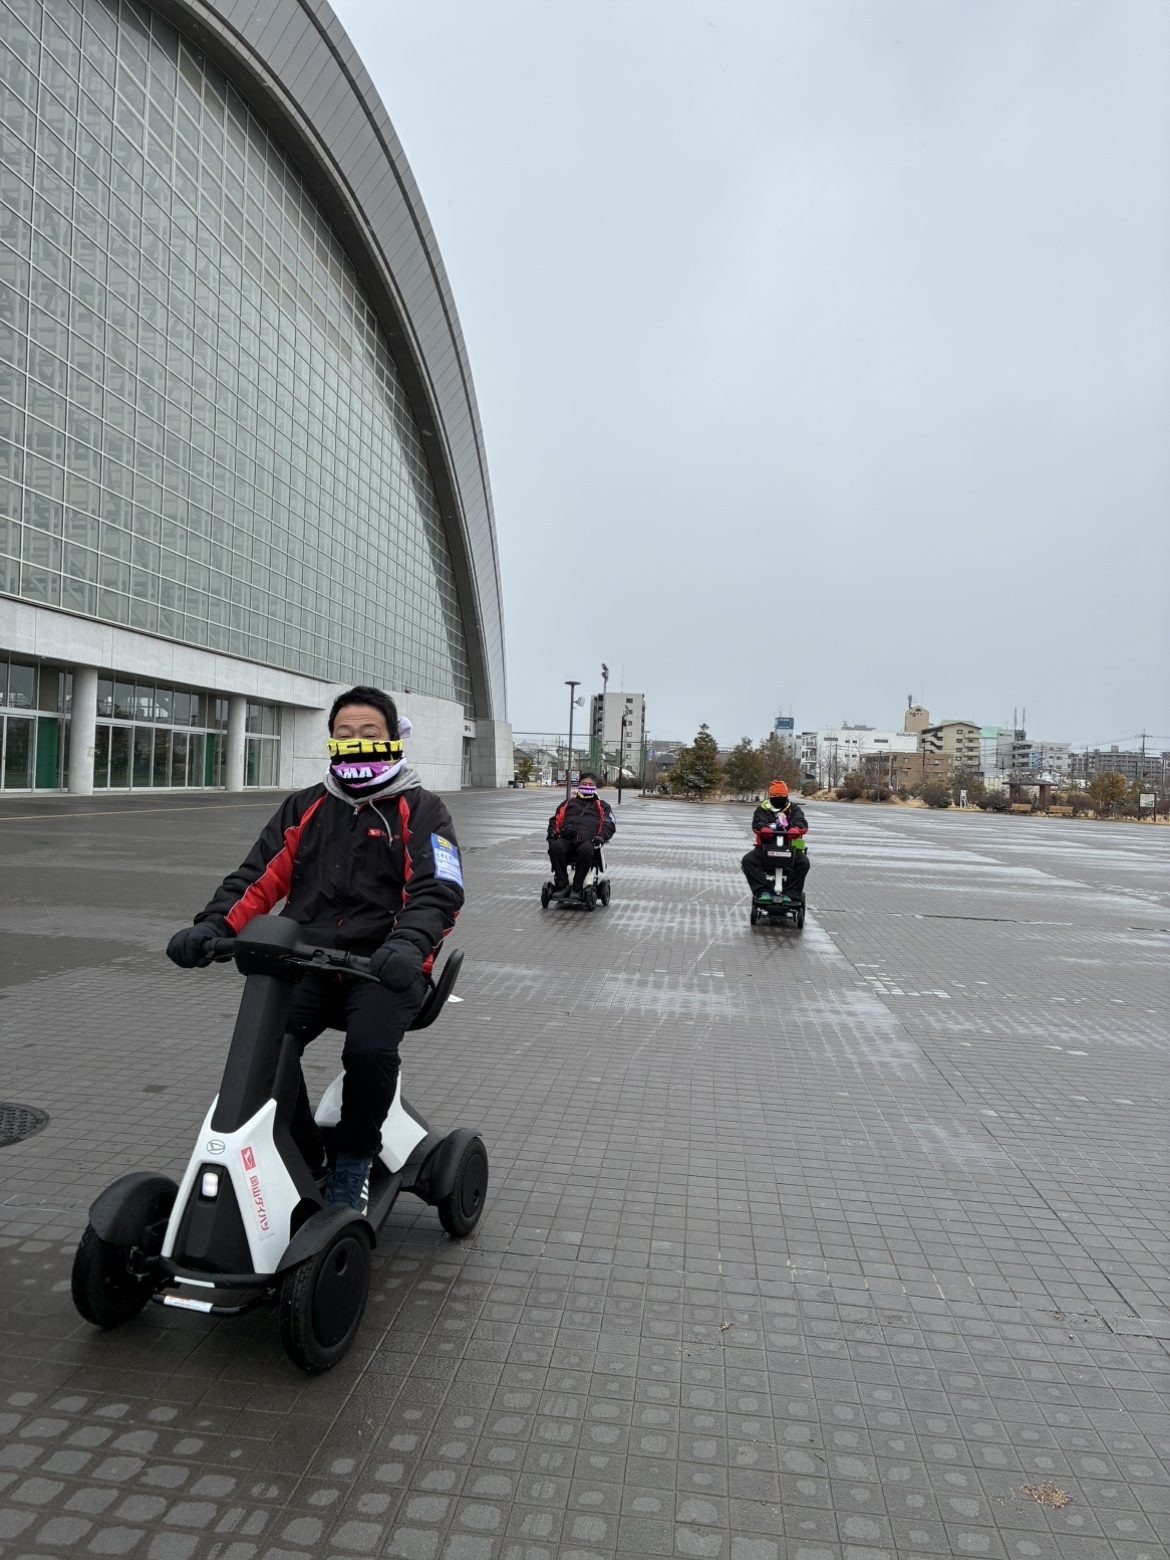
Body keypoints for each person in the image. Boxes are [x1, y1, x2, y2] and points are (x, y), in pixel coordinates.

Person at [165, 686, 463, 1214]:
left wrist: (409, 942)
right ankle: (305, 1151)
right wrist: (212, 925)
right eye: (344, 735)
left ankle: (354, 1159)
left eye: (369, 734)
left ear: (394, 739)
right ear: (331, 742)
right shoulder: (306, 806)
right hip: (309, 960)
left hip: (384, 967)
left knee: (368, 1050)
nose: (356, 743)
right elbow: (257, 878)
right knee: (268, 1045)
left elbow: (438, 890)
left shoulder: (421, 808)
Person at [547, 773, 615, 900]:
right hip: (567, 840)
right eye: (584, 784)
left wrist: (601, 837)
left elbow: (609, 824)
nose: (587, 786)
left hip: (588, 842)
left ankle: (577, 887)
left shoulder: (602, 806)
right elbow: (555, 820)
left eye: (590, 784)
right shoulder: (568, 803)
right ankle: (562, 886)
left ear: (595, 787)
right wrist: (552, 833)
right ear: (578, 786)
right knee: (555, 847)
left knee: (586, 850)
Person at [741, 779, 810, 902]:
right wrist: (763, 828)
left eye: (781, 796)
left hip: (790, 849)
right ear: (770, 796)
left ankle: (790, 893)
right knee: (748, 861)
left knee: (804, 863)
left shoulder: (794, 809)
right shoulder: (763, 809)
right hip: (766, 848)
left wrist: (795, 829)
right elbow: (757, 822)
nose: (778, 798)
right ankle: (763, 891)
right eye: (775, 796)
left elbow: (801, 822)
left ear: (786, 795)